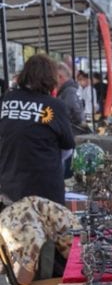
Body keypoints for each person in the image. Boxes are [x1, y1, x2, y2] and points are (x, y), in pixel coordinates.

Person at [0, 53, 75, 206]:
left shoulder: (7, 100)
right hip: (45, 188)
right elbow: (68, 146)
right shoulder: (54, 106)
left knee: (14, 227)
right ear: (51, 78)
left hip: (10, 184)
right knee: (45, 228)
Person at [0, 196, 78, 284]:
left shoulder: (14, 223)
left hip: (76, 264)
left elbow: (23, 278)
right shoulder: (13, 212)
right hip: (71, 253)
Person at [56, 62, 85, 132]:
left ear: (60, 77)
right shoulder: (71, 89)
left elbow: (75, 114)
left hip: (72, 132)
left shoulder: (69, 91)